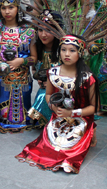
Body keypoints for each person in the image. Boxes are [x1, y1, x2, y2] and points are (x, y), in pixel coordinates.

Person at [16, 33, 97, 173]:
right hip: (59, 117)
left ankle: (91, 131)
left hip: (79, 118)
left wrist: (71, 113)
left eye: (72, 50)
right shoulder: (52, 72)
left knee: (69, 149)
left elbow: (92, 108)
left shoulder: (87, 78)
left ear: (81, 53)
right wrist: (52, 106)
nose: (67, 54)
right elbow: (48, 94)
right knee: (48, 146)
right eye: (63, 49)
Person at [0, 0, 37, 133]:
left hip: (23, 79)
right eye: (3, 8)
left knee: (22, 109)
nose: (7, 11)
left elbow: (34, 59)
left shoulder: (29, 30)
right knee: (3, 112)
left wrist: (21, 61)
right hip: (2, 79)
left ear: (18, 7)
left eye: (11, 7)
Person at [28, 9, 61, 128]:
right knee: (43, 94)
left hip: (62, 90)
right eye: (40, 30)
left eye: (48, 30)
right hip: (44, 89)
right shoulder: (37, 49)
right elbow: (35, 71)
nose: (43, 34)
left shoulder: (63, 51)